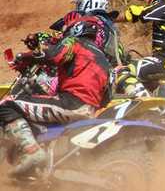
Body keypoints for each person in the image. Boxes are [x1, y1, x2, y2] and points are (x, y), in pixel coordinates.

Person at [0, 12, 111, 177]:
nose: (64, 33)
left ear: (77, 28)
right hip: (89, 110)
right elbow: (107, 95)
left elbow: (54, 55)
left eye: (67, 29)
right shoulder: (103, 59)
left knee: (8, 104)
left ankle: (32, 152)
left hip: (70, 103)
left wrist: (24, 57)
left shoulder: (75, 42)